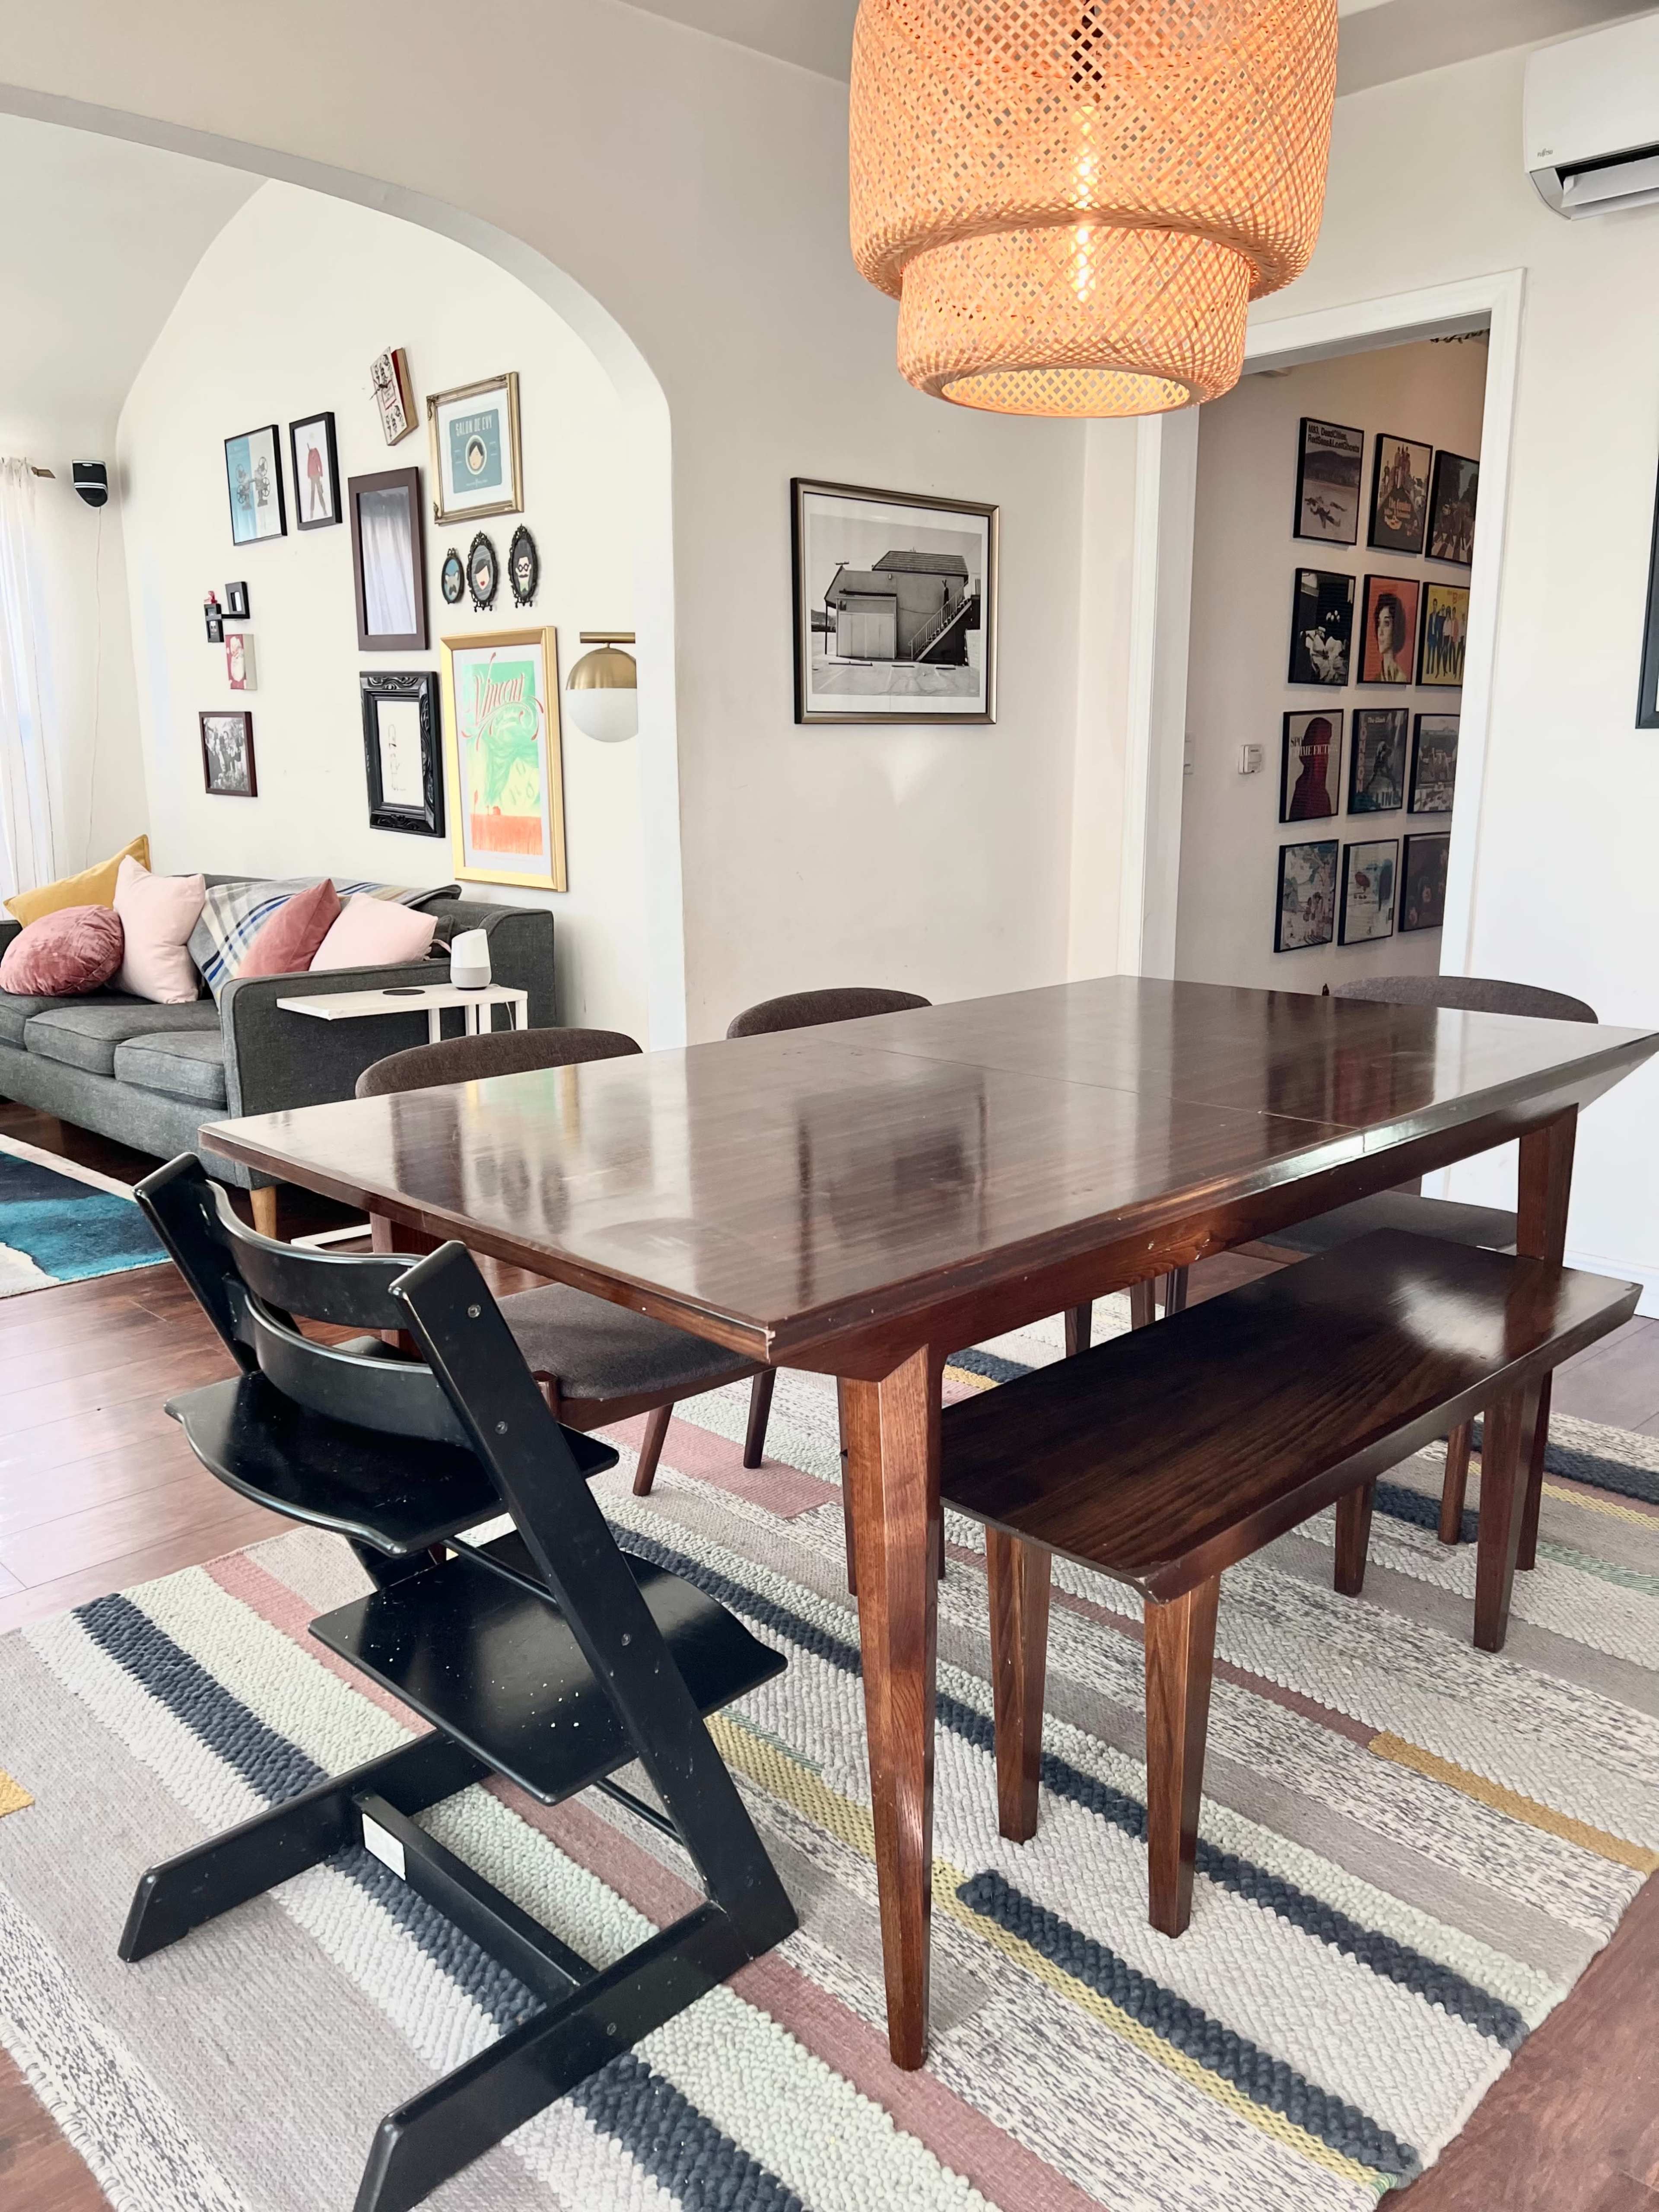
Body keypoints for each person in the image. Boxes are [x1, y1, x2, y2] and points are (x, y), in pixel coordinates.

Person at [1371, 591, 1408, 683]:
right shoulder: (1376, 679)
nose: (1381, 631)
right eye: (1379, 623)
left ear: (1396, 628)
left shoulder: (1401, 679)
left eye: (1387, 623)